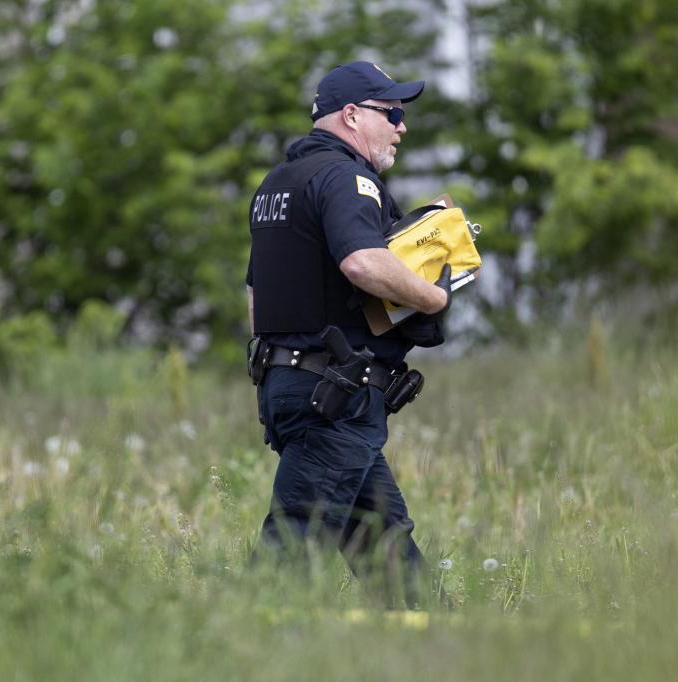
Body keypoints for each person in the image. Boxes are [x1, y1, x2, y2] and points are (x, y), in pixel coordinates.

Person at [245, 62, 453, 608]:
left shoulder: (276, 184)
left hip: (294, 389)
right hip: (335, 397)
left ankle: (442, 646)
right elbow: (362, 262)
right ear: (353, 116)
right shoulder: (347, 178)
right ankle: (225, 653)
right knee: (289, 551)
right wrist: (436, 296)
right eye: (394, 114)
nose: (401, 128)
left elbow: (254, 296)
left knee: (387, 548)